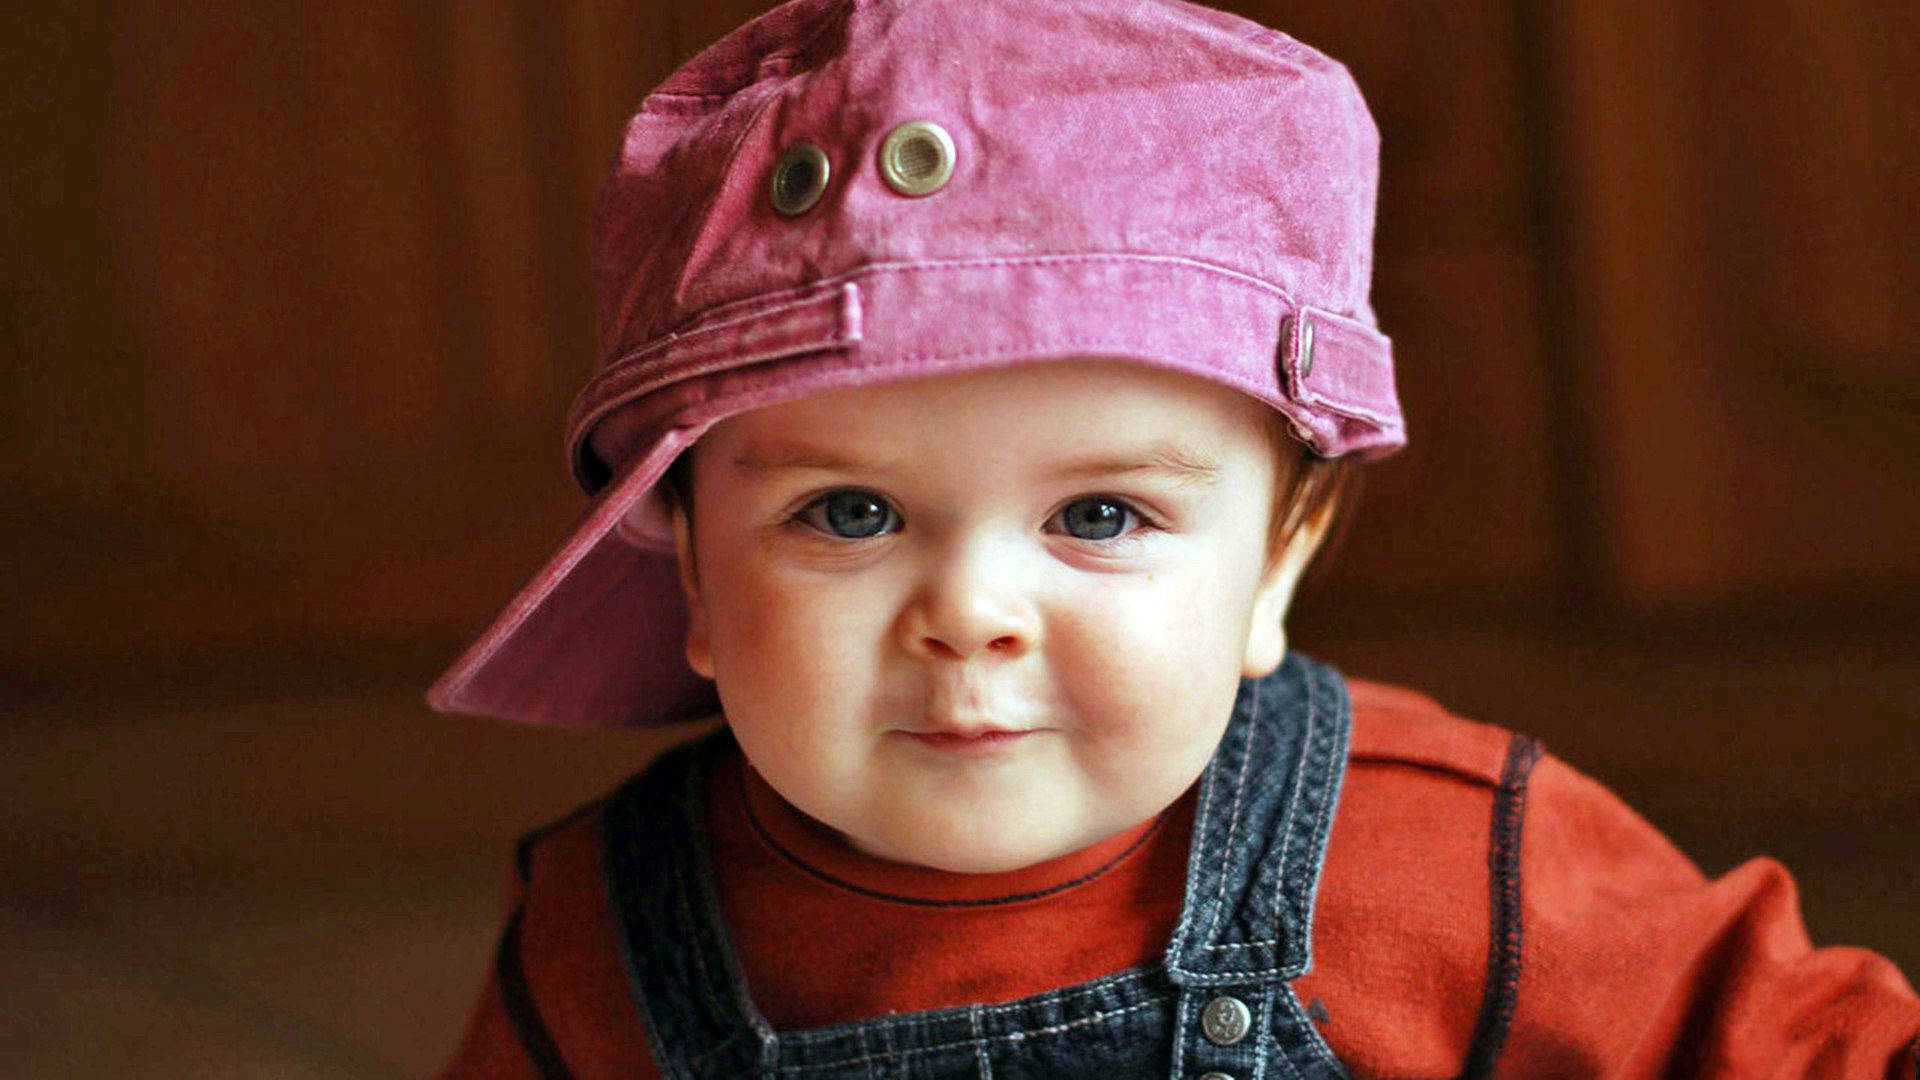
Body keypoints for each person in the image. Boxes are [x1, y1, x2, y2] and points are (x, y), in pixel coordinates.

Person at [424, 0, 1920, 1075]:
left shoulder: (1450, 852)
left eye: (1099, 515)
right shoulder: (605, 931)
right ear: (691, 572)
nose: (972, 613)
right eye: (850, 513)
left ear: (1274, 563)